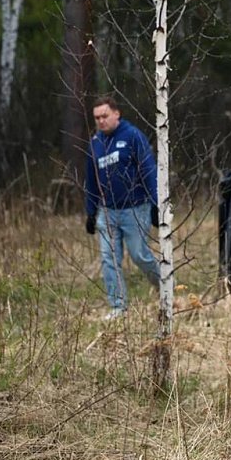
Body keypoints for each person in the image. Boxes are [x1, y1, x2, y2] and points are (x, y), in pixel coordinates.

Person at [84, 96, 161, 320]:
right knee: (109, 258)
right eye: (97, 118)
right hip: (108, 211)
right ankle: (118, 306)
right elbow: (92, 180)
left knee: (139, 255)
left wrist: (156, 204)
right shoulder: (95, 144)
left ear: (117, 113)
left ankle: (165, 288)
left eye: (105, 116)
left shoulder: (132, 136)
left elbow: (148, 170)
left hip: (135, 208)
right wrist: (91, 211)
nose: (101, 121)